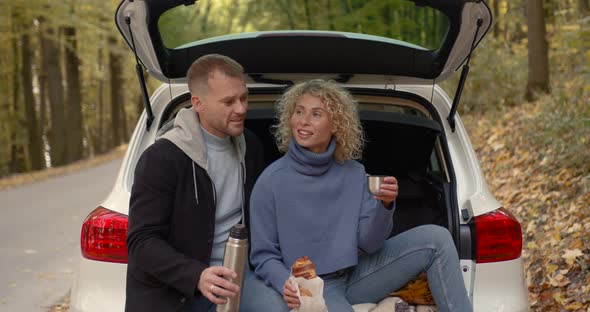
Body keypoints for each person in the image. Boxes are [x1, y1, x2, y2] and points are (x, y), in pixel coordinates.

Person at [248, 79, 472, 312]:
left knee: (437, 239)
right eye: (299, 112)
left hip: (357, 275)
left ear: (336, 124)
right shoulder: (271, 180)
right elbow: (263, 256)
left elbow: (370, 243)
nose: (303, 121)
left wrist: (384, 206)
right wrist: (287, 284)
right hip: (311, 288)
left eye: (316, 114)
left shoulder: (354, 173)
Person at [125, 54, 264, 312]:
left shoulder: (251, 147)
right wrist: (197, 276)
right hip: (176, 292)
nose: (242, 109)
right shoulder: (162, 158)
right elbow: (141, 241)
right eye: (229, 102)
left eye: (243, 98)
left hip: (238, 277)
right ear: (198, 104)